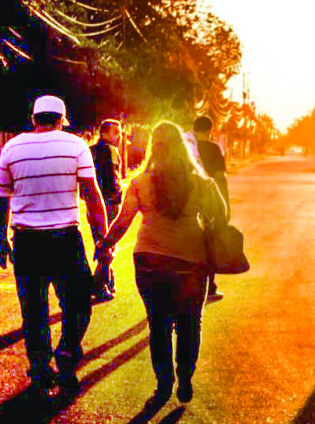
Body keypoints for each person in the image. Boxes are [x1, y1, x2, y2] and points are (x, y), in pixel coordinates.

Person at [96, 121, 226, 403]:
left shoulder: (140, 183)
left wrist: (105, 245)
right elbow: (221, 214)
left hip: (149, 264)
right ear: (182, 147)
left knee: (158, 325)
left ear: (153, 148)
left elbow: (122, 222)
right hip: (191, 263)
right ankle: (185, 379)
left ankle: (164, 384)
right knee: (190, 323)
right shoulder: (201, 182)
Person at [0, 95, 108, 398]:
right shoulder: (76, 145)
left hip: (26, 241)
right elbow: (92, 195)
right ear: (61, 119)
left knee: (34, 310)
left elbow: (2, 198)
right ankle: (67, 350)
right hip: (65, 240)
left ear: (34, 119)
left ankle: (41, 368)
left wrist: (1, 239)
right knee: (79, 302)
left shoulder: (11, 147)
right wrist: (102, 240)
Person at [190, 115, 230, 303]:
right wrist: (225, 205)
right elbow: (220, 178)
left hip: (189, 201)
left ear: (194, 129)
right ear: (210, 130)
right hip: (209, 202)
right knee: (209, 245)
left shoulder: (186, 147)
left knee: (190, 244)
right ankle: (209, 288)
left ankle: (189, 285)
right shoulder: (214, 148)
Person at [89, 118, 124, 302]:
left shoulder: (91, 151)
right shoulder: (111, 150)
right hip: (109, 204)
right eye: (115, 132)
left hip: (93, 205)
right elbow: (113, 180)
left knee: (101, 241)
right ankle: (99, 284)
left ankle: (107, 280)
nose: (119, 136)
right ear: (104, 133)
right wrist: (118, 196)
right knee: (107, 244)